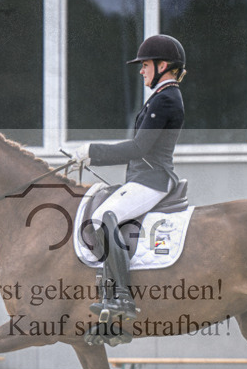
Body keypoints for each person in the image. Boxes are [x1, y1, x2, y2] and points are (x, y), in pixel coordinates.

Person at [70, 34, 187, 322]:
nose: (141, 70)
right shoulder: (160, 98)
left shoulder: (167, 99)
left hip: (153, 179)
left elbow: (138, 148)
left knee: (102, 216)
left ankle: (121, 296)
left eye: (145, 64)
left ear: (163, 65)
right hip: (144, 177)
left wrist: (92, 151)